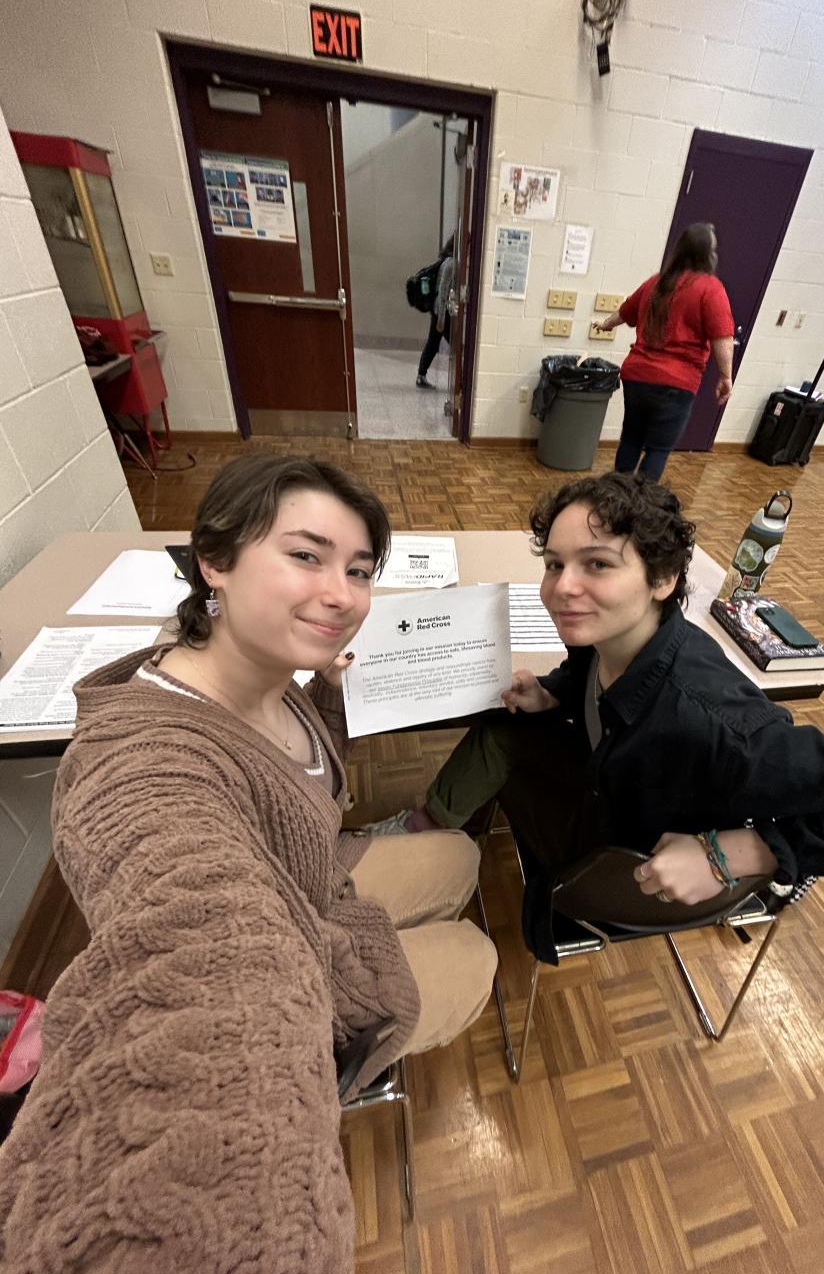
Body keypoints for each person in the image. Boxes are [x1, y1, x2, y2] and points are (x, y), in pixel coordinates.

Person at [0, 454, 496, 1273]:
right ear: (214, 562)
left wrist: (328, 690)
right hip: (298, 957)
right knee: (476, 953)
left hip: (316, 886)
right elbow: (201, 948)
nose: (342, 594)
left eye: (359, 570)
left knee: (460, 856)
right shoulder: (144, 764)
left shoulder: (267, 670)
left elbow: (300, 777)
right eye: (305, 555)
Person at [371, 472, 824, 961]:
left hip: (625, 861)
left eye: (597, 564)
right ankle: (429, 836)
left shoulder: (715, 718)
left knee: (503, 740)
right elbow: (585, 674)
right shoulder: (610, 634)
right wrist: (553, 693)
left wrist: (734, 854)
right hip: (609, 790)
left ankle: (425, 861)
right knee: (501, 724)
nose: (562, 588)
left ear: (662, 580)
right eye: (554, 564)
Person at [592, 222, 735, 481]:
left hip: (637, 377)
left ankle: (616, 496)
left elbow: (624, 312)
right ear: (708, 254)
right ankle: (641, 502)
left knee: (631, 440)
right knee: (657, 449)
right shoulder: (710, 288)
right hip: (676, 383)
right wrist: (725, 376)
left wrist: (604, 324)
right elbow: (722, 336)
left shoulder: (656, 282)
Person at [416, 235, 455, 389]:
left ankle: (421, 375)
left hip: (437, 310)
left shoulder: (445, 261)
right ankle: (461, 379)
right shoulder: (451, 264)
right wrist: (441, 319)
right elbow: (443, 290)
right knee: (457, 345)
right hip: (441, 312)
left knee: (432, 343)